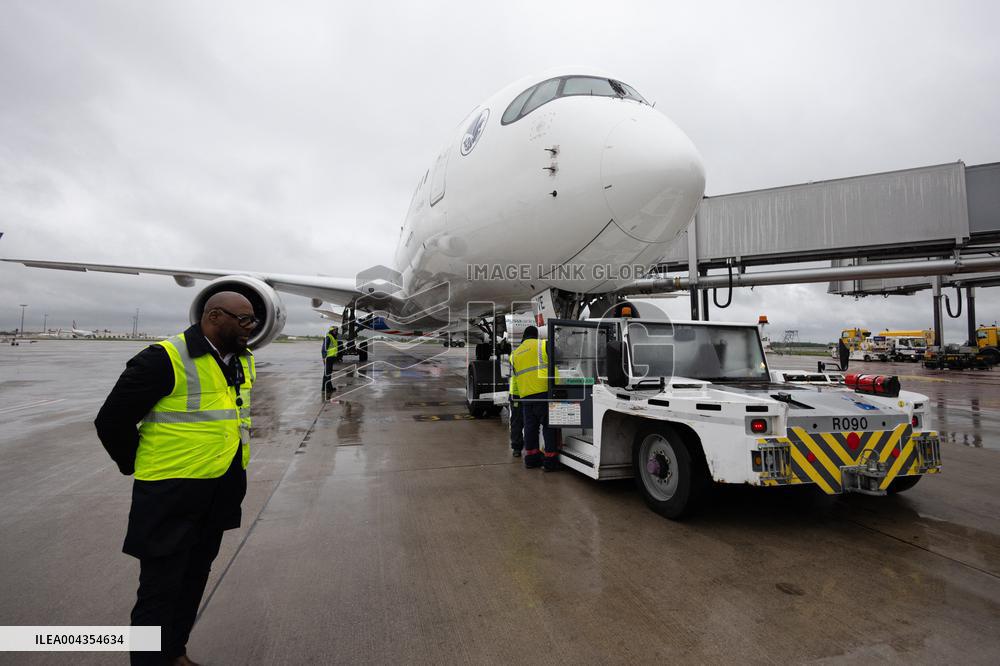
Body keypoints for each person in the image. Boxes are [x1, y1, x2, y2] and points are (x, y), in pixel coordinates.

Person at [95, 291, 259, 666]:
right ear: (215, 316)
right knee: (159, 591)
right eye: (244, 319)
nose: (252, 327)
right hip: (170, 494)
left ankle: (174, 654)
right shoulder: (165, 358)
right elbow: (111, 421)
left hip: (218, 491)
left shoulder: (240, 361)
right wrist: (137, 462)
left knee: (194, 579)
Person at [509, 325, 558, 471]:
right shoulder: (543, 344)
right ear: (536, 335)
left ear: (524, 337)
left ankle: (531, 459)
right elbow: (559, 357)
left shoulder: (515, 354)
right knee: (549, 428)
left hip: (526, 396)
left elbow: (517, 376)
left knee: (530, 428)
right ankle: (550, 461)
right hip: (543, 392)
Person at [321, 325, 340, 398]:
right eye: (335, 330)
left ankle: (325, 388)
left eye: (336, 330)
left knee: (327, 373)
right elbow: (324, 348)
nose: (336, 331)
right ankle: (328, 388)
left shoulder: (333, 337)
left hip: (331, 358)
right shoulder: (329, 337)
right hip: (328, 358)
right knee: (327, 374)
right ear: (332, 330)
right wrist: (324, 357)